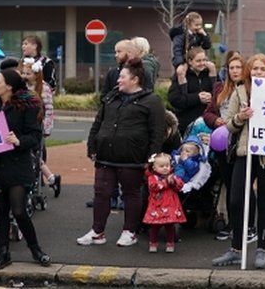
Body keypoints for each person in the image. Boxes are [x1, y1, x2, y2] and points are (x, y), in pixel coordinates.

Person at [79, 59, 166, 247]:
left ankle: (129, 232)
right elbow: (98, 123)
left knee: (131, 194)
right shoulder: (111, 97)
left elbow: (157, 132)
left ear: (134, 80)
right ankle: (97, 231)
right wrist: (92, 146)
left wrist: (152, 158)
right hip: (105, 157)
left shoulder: (152, 101)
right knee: (101, 193)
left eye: (122, 77)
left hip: (132, 159)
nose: (118, 80)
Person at [212, 54, 265, 270]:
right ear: (248, 71)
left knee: (263, 202)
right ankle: (236, 249)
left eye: (262, 69)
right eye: (254, 69)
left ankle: (261, 249)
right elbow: (229, 125)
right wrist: (240, 118)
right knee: (236, 201)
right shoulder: (240, 90)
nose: (258, 72)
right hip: (244, 152)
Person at [0, 69, 50, 270]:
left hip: (17, 164)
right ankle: (4, 253)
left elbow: (35, 137)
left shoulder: (27, 105)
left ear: (9, 85)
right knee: (1, 211)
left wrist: (18, 141)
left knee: (18, 210)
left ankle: (36, 250)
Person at [203, 52, 245, 241]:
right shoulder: (220, 88)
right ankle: (230, 225)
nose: (235, 71)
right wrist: (216, 120)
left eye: (238, 67)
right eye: (231, 68)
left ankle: (245, 226)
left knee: (240, 188)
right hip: (222, 143)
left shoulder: (250, 89)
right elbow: (208, 113)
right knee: (229, 185)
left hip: (242, 142)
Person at [18, 58, 60, 197]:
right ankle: (51, 178)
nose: (24, 76)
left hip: (38, 126)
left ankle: (45, 180)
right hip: (24, 125)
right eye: (23, 73)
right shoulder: (21, 87)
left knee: (36, 155)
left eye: (28, 74)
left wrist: (47, 129)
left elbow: (49, 109)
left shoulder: (44, 88)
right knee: (29, 155)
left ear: (36, 74)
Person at [168, 47, 216, 135]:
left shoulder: (210, 73)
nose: (202, 63)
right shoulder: (181, 75)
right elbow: (174, 99)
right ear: (190, 61)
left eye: (204, 60)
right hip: (186, 124)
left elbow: (220, 93)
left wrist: (211, 96)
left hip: (207, 123)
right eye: (198, 61)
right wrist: (197, 98)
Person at [143, 153, 185, 253]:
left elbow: (180, 186)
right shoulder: (152, 177)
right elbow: (154, 187)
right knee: (155, 226)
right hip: (156, 206)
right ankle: (153, 242)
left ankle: (170, 242)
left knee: (170, 226)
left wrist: (174, 182)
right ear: (154, 167)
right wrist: (167, 182)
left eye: (167, 165)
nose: (165, 168)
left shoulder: (173, 176)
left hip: (170, 205)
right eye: (161, 166)